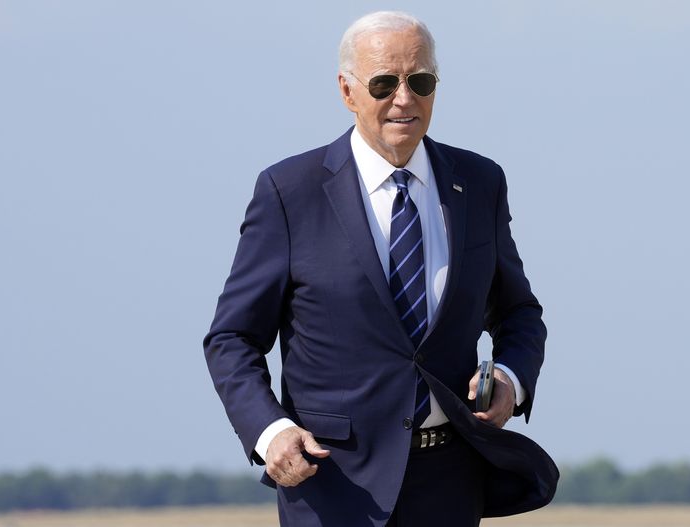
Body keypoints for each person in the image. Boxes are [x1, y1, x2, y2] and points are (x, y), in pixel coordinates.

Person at [203, 11, 558, 527]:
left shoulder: (480, 182)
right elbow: (231, 338)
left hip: (451, 483)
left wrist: (509, 378)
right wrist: (270, 431)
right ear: (347, 91)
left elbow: (520, 312)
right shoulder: (288, 192)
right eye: (384, 83)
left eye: (420, 81)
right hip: (332, 486)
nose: (404, 98)